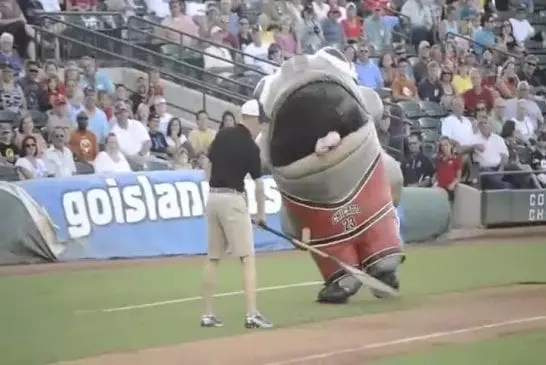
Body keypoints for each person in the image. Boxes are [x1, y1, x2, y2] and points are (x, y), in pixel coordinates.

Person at [201, 99, 272, 329]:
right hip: (232, 198)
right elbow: (259, 185)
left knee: (213, 257)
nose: (261, 127)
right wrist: (261, 214)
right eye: (260, 122)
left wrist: (214, 187)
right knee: (247, 257)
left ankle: (208, 315)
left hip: (212, 197)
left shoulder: (221, 135)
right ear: (251, 119)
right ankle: (252, 314)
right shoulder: (251, 146)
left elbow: (207, 166)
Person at [434, 137, 462, 202]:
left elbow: (458, 177)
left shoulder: (456, 158)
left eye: (446, 145)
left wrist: (453, 184)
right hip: (438, 188)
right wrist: (435, 182)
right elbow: (437, 173)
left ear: (451, 146)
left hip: (449, 188)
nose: (444, 147)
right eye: (442, 145)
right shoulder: (438, 159)